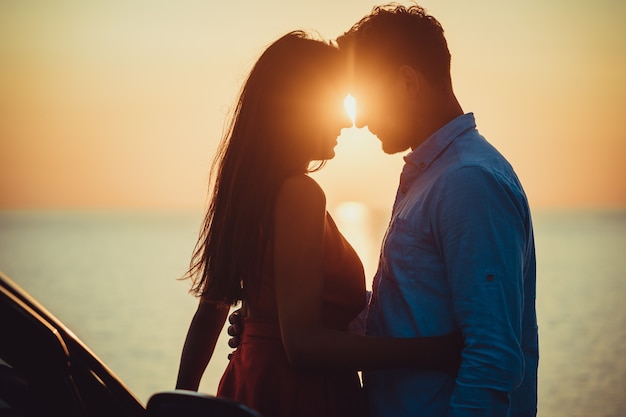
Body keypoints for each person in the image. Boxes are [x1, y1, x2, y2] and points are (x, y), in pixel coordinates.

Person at [175, 31, 462, 417]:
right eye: (335, 102)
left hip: (249, 384)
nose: (348, 120)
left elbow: (210, 312)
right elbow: (303, 345)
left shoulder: (248, 192)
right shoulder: (299, 194)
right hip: (302, 396)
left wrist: (179, 402)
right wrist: (433, 351)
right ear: (299, 107)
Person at [334, 4, 539, 417]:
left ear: (408, 82)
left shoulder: (467, 182)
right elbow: (414, 310)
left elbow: (492, 355)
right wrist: (284, 324)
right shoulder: (435, 176)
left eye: (366, 99)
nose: (358, 121)